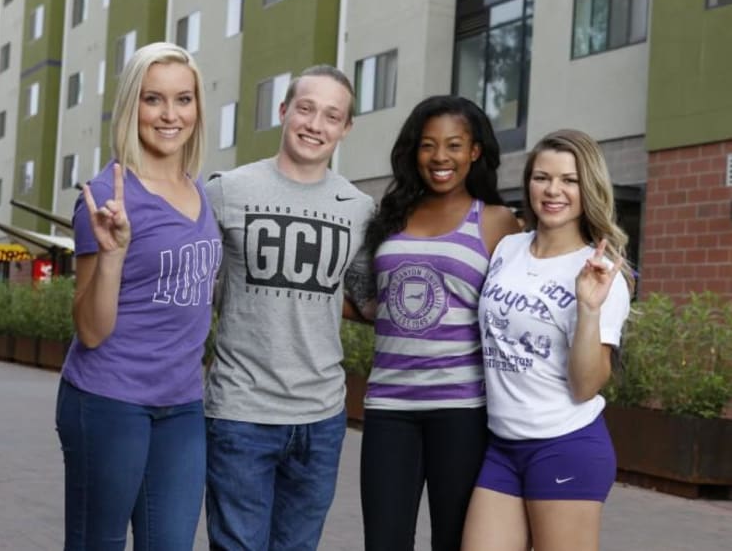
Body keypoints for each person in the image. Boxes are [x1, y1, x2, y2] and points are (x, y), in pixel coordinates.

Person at [56, 42, 220, 550]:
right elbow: (91, 329)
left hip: (182, 404)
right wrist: (112, 254)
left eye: (183, 99)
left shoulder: (199, 192)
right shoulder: (108, 197)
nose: (170, 115)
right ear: (132, 106)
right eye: (154, 99)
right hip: (110, 399)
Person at [204, 65, 374, 551]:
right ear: (283, 111)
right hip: (241, 411)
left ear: (345, 128)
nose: (315, 124)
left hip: (320, 418)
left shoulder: (358, 208)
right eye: (305, 108)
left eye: (331, 115)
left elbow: (365, 302)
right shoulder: (226, 190)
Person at [360, 95, 520, 551]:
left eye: (454, 145)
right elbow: (362, 295)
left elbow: (524, 295)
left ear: (474, 151)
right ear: (414, 151)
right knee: (384, 542)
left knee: (453, 541)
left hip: (462, 411)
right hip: (389, 407)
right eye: (428, 145)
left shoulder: (496, 221)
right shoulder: (391, 216)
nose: (440, 158)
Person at [461, 129, 633, 551]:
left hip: (565, 444)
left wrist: (589, 309)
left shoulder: (599, 271)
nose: (553, 190)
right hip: (502, 445)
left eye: (568, 180)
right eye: (542, 177)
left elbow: (586, 385)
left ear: (587, 188)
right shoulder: (508, 248)